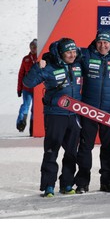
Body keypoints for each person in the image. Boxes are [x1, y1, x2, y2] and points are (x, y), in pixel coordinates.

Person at [75, 29, 110, 194]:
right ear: (95, 42)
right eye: (100, 42)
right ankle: (82, 183)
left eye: (105, 42)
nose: (102, 45)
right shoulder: (85, 54)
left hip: (109, 113)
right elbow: (63, 49)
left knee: (108, 148)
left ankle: (107, 182)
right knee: (85, 147)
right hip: (89, 111)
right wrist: (48, 57)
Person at [23, 38, 82, 197]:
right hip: (55, 114)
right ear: (61, 53)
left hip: (74, 114)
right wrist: (37, 67)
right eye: (68, 52)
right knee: (51, 151)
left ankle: (67, 184)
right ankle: (49, 186)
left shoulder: (77, 64)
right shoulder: (49, 66)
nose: (72, 55)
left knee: (71, 152)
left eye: (73, 51)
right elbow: (28, 82)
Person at [16, 38, 37, 135]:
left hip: (37, 89)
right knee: (25, 105)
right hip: (27, 89)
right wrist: (19, 89)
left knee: (35, 109)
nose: (33, 49)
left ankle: (33, 128)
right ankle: (21, 122)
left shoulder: (41, 58)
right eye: (31, 47)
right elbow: (21, 74)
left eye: (35, 47)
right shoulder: (26, 59)